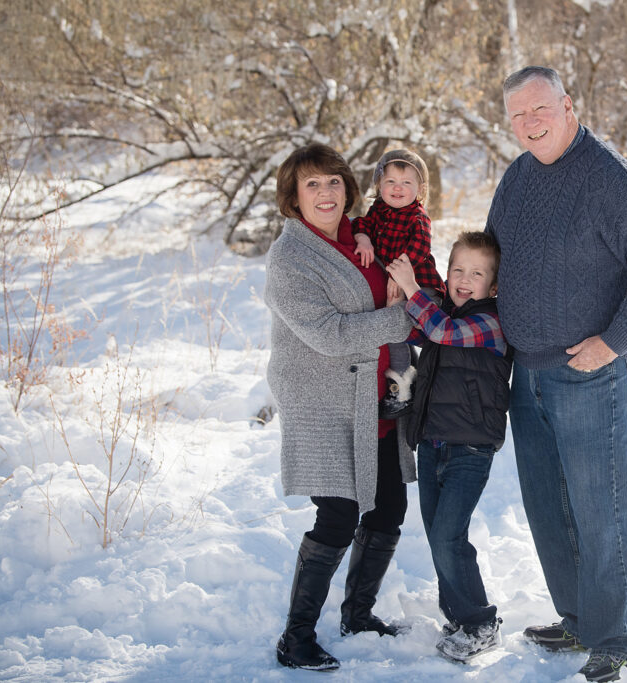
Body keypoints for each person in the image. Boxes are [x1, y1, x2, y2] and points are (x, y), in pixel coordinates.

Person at [485, 66, 627, 682]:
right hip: (529, 375)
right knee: (548, 508)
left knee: (601, 509)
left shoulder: (606, 179)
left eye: (540, 109)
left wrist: (613, 343)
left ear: (568, 106)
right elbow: (492, 260)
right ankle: (577, 620)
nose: (530, 124)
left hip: (589, 376)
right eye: (518, 116)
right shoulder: (517, 178)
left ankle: (614, 636)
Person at [264, 142, 417, 671]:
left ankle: (358, 613)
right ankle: (296, 637)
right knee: (338, 514)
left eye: (333, 182)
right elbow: (329, 335)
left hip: (378, 393)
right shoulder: (290, 258)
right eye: (312, 185)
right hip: (321, 399)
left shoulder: (361, 234)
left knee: (389, 507)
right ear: (294, 196)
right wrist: (404, 320)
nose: (326, 193)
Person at [385, 231, 512, 662]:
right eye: (457, 269)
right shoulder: (444, 317)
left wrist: (412, 288)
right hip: (435, 444)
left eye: (476, 273)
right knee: (440, 537)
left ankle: (480, 624)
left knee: (448, 536)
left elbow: (440, 332)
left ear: (492, 287)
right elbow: (423, 332)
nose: (464, 278)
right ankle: (458, 617)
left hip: (469, 449)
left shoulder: (489, 322)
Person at [352, 149, 446, 419]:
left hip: (421, 286)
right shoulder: (378, 210)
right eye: (390, 182)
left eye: (406, 183)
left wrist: (397, 274)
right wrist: (363, 237)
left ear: (420, 189)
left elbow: (419, 248)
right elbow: (363, 224)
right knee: (393, 329)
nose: (398, 188)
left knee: (408, 324)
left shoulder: (418, 216)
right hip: (396, 288)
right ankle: (403, 381)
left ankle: (424, 379)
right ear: (379, 185)